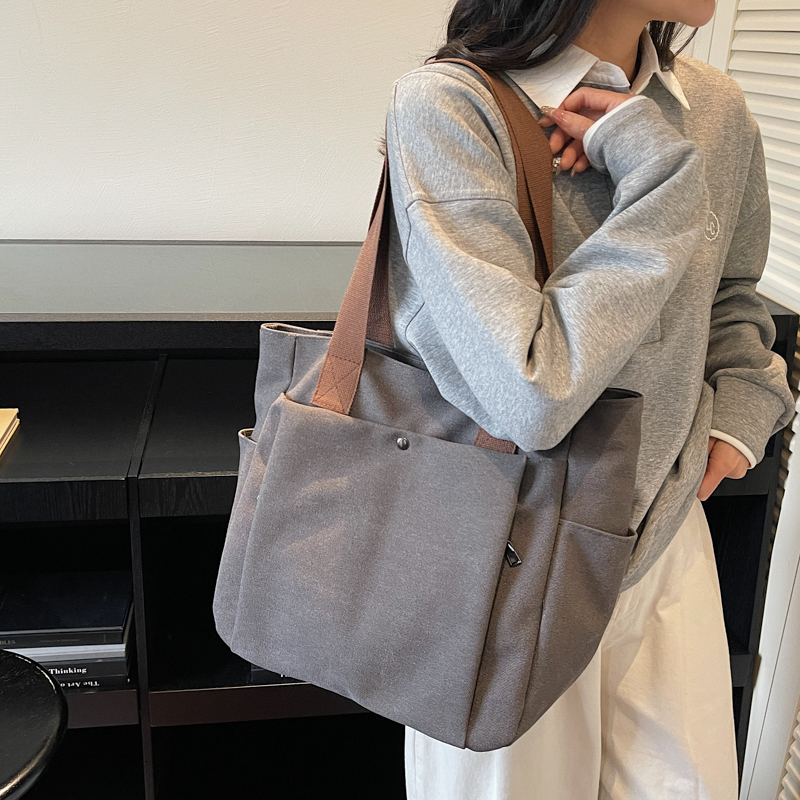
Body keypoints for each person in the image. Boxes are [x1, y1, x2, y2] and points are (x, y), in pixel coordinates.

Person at [382, 0, 796, 797]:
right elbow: (530, 394)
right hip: (505, 560)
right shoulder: (451, 108)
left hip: (667, 538)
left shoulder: (714, 108)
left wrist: (740, 420)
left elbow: (732, 295)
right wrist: (661, 180)